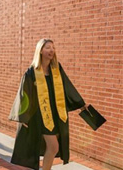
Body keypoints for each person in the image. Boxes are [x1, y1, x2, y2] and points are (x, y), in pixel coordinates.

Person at [9, 38, 88, 170]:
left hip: (56, 113)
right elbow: (25, 95)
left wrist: (80, 103)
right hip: (41, 115)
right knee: (53, 146)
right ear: (40, 51)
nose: (51, 50)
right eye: (47, 47)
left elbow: (67, 86)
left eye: (53, 47)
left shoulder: (56, 69)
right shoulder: (31, 72)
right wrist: (23, 115)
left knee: (52, 148)